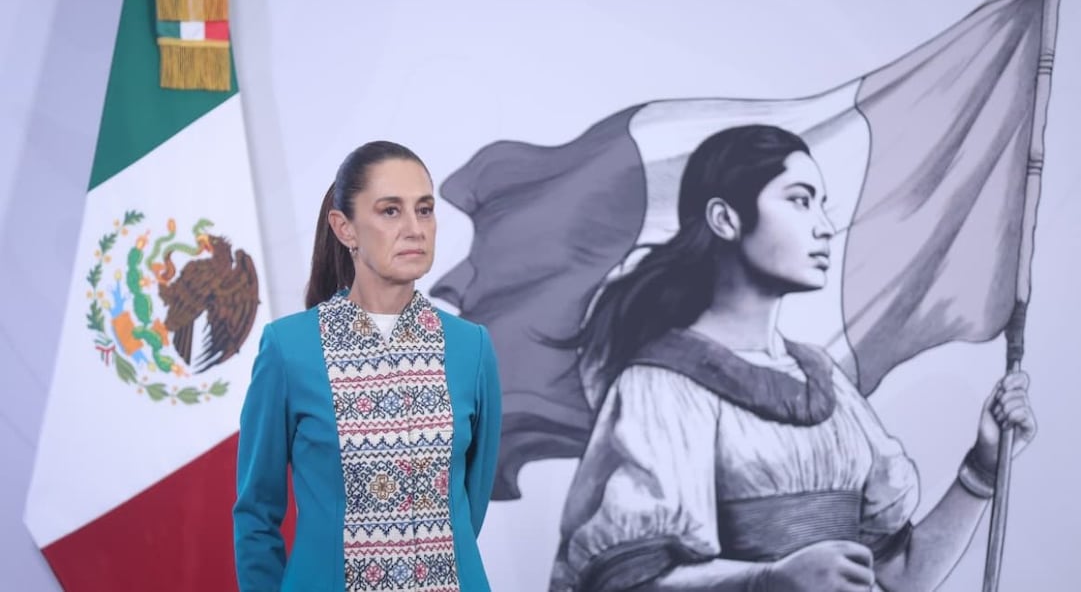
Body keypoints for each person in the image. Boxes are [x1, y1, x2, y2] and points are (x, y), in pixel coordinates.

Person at [548, 125, 1037, 592]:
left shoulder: (825, 383)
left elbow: (903, 575)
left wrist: (984, 468)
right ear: (725, 219)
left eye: (822, 205)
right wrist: (768, 581)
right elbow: (622, 583)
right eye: (800, 201)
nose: (824, 227)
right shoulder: (661, 386)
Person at [233, 141, 502, 591]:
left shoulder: (470, 348)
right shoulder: (289, 349)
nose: (415, 229)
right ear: (345, 228)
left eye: (425, 209)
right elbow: (257, 512)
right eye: (390, 211)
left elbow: (470, 504)